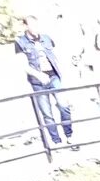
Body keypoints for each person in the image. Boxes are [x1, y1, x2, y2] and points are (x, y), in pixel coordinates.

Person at [13, 16, 74, 149]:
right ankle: (57, 142)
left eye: (36, 24)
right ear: (25, 26)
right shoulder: (20, 42)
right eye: (32, 25)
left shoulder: (46, 38)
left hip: (54, 77)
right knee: (47, 114)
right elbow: (23, 65)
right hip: (37, 82)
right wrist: (38, 75)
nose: (35, 28)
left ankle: (69, 136)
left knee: (64, 106)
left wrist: (65, 75)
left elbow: (56, 56)